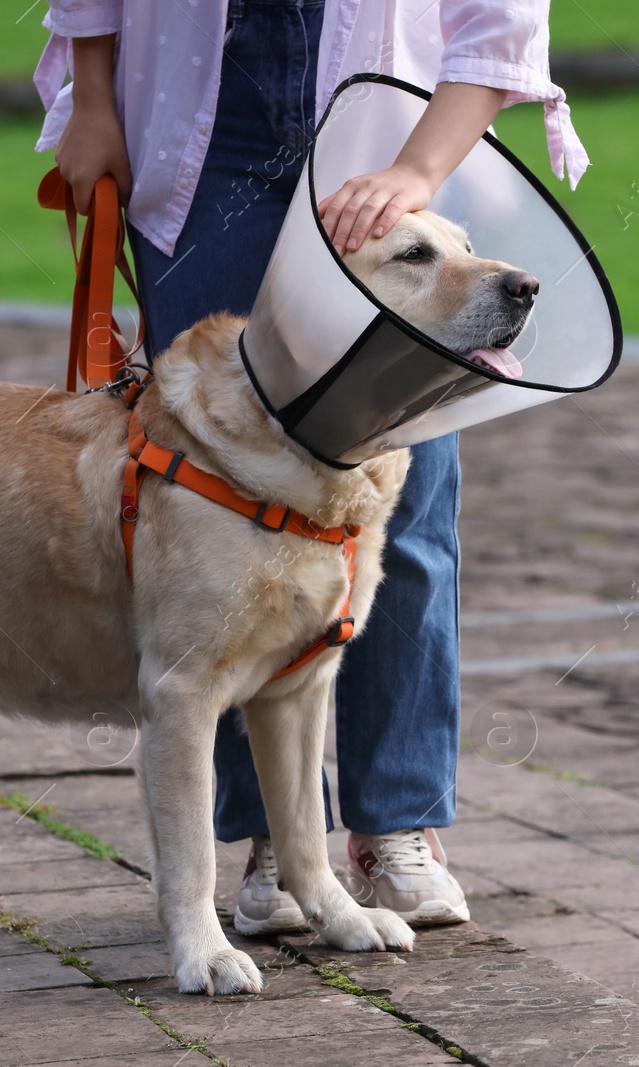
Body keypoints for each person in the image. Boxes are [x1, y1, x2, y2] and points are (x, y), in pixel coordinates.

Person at [34, 0, 587, 934]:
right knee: (213, 502)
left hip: (393, 122)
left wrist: (417, 168)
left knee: (403, 506)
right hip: (206, 127)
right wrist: (93, 96)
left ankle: (396, 824)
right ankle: (270, 842)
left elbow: (497, 16)